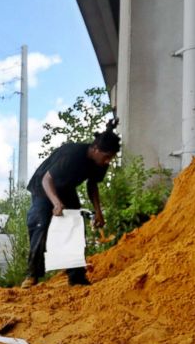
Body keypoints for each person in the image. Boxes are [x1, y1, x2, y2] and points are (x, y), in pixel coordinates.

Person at [22, 120, 121, 288]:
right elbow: (47, 179)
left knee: (74, 226)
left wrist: (98, 212)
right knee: (40, 223)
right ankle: (32, 275)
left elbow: (92, 185)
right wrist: (56, 203)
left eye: (110, 158)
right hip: (43, 187)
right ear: (96, 149)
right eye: (106, 157)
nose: (107, 161)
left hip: (66, 189)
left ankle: (76, 277)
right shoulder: (73, 154)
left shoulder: (100, 163)